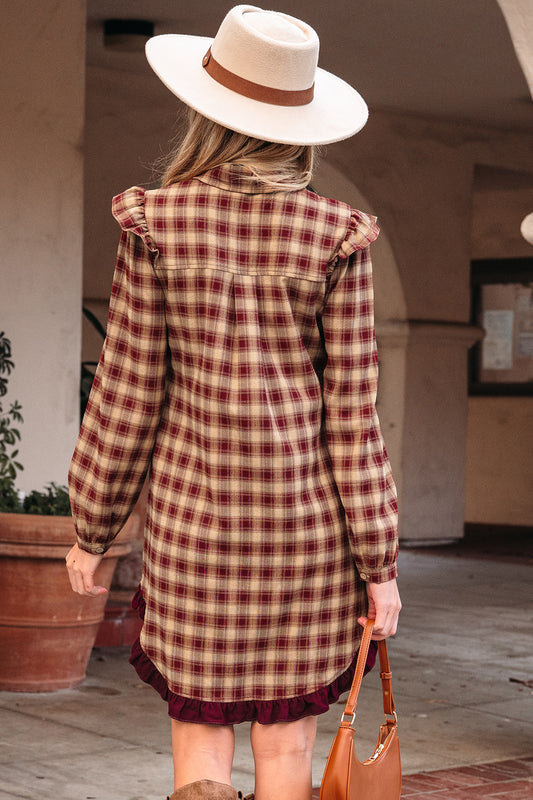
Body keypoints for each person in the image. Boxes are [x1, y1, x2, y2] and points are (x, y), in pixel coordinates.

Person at [66, 6, 401, 800]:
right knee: (286, 758)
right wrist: (378, 565)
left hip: (194, 536)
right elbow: (352, 420)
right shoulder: (335, 237)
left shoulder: (158, 224)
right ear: (300, 123)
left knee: (200, 755)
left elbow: (126, 395)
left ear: (206, 115)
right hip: (307, 544)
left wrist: (92, 527)